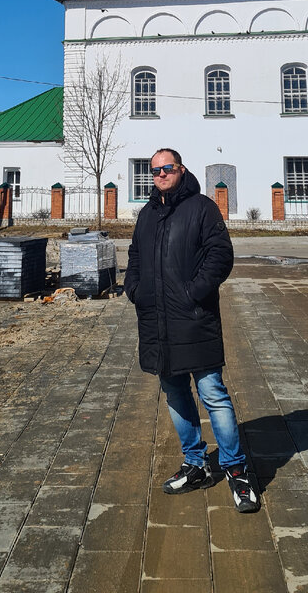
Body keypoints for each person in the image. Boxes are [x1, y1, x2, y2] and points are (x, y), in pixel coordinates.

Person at [123, 148, 260, 513]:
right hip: (157, 321)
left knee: (212, 392)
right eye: (154, 171)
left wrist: (193, 292)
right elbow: (135, 256)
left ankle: (236, 470)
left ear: (181, 169)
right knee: (175, 393)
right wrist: (133, 289)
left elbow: (220, 255)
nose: (160, 175)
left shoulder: (201, 207)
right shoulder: (148, 214)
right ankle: (196, 464)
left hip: (194, 317)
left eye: (167, 168)